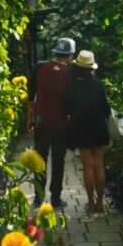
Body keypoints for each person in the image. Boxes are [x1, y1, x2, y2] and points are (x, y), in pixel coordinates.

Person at [28, 37, 75, 208]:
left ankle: (38, 198)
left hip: (41, 121)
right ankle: (56, 198)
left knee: (40, 159)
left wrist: (30, 121)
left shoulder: (39, 67)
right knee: (58, 161)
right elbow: (71, 101)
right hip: (61, 124)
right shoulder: (71, 73)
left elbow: (30, 96)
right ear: (70, 55)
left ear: (55, 52)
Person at [63, 50, 111, 213]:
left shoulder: (71, 86)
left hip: (81, 127)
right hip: (98, 126)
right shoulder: (98, 85)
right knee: (99, 164)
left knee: (88, 165)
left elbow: (67, 108)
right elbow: (106, 109)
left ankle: (90, 202)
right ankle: (100, 203)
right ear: (92, 68)